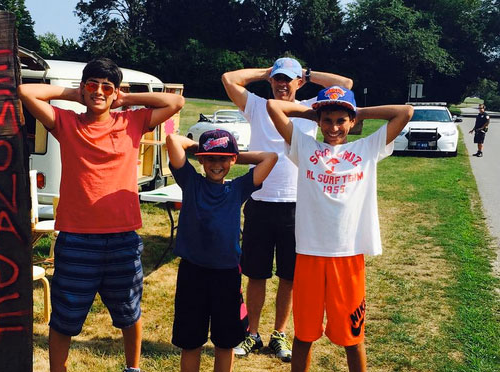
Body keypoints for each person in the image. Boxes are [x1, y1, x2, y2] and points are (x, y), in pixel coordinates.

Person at [17, 58, 185, 372]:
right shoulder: (66, 123)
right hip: (77, 238)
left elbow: (176, 101)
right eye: (92, 85)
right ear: (83, 88)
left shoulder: (132, 122)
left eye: (106, 87)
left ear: (115, 92)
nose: (99, 92)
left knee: (129, 310)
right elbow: (26, 92)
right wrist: (72, 93)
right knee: (65, 315)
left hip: (123, 237)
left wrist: (125, 98)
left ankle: (132, 368)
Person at [266, 86, 413, 372]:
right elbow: (274, 107)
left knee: (352, 337)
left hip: (348, 254)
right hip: (309, 253)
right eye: (327, 120)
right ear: (319, 122)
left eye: (341, 120)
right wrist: (314, 112)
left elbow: (405, 112)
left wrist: (356, 111)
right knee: (304, 335)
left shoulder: (366, 148)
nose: (333, 127)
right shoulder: (306, 147)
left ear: (352, 122)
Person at [221, 57, 353, 361]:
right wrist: (267, 72)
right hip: (260, 202)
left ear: (299, 83)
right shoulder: (255, 104)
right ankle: (252, 333)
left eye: (288, 79)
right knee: (256, 274)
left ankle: (279, 334)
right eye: (277, 79)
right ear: (271, 81)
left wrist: (307, 73)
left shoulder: (311, 108)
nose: (282, 84)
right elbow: (229, 78)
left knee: (289, 276)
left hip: (299, 204)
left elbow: (345, 86)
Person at [166, 129, 277, 372]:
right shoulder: (191, 182)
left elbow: (270, 158)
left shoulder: (238, 189)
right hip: (192, 275)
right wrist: (203, 149)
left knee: (225, 343)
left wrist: (230, 152)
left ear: (233, 160)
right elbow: (173, 140)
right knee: (190, 342)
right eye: (211, 159)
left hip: (226, 276)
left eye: (223, 158)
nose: (217, 164)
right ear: (201, 160)